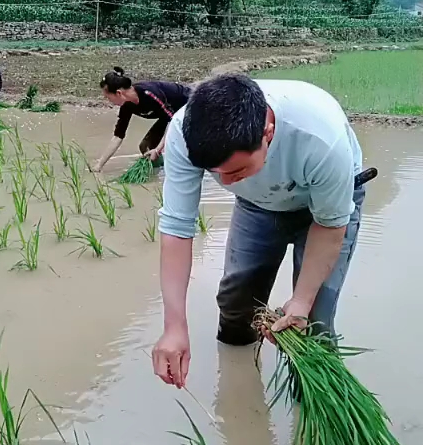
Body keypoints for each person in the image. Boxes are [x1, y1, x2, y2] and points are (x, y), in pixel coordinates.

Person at [152, 73, 369, 388]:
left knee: (313, 321)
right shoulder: (184, 134)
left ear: (268, 133)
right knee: (236, 301)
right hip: (257, 204)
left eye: (237, 170)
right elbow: (176, 228)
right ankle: (238, 390)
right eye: (216, 174)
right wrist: (173, 326)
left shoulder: (321, 139)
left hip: (326, 209)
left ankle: (315, 404)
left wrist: (301, 301)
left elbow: (330, 225)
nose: (226, 183)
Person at [93, 67, 191, 172]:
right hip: (169, 115)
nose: (109, 101)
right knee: (146, 147)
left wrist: (158, 150)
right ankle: (162, 172)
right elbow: (118, 136)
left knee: (180, 146)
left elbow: (173, 121)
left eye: (108, 97)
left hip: (190, 106)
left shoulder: (149, 94)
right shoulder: (126, 105)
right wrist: (99, 166)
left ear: (119, 93)